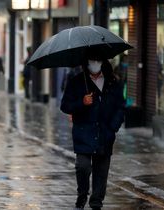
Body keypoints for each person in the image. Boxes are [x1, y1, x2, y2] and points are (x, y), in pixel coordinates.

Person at [60, 59, 125, 210]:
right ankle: (82, 194)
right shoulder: (77, 82)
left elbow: (120, 107)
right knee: (82, 167)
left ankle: (96, 203)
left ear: (103, 62)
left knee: (101, 172)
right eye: (91, 61)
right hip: (83, 134)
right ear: (86, 63)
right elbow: (65, 106)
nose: (94, 63)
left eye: (97, 60)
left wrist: (112, 128)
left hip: (105, 134)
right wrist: (81, 102)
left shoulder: (112, 82)